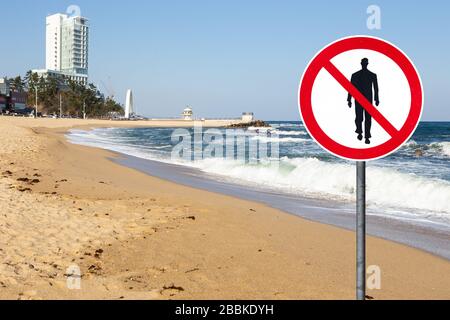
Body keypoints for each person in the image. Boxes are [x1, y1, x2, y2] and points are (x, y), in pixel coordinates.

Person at [347, 58, 379, 144]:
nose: (364, 64)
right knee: (359, 118)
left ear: (366, 64)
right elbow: (350, 88)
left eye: (365, 63)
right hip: (359, 99)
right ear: (362, 64)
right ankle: (360, 132)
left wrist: (376, 99)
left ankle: (366, 136)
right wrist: (349, 99)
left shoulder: (372, 75)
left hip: (368, 100)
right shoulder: (355, 75)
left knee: (366, 119)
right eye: (363, 63)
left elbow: (376, 89)